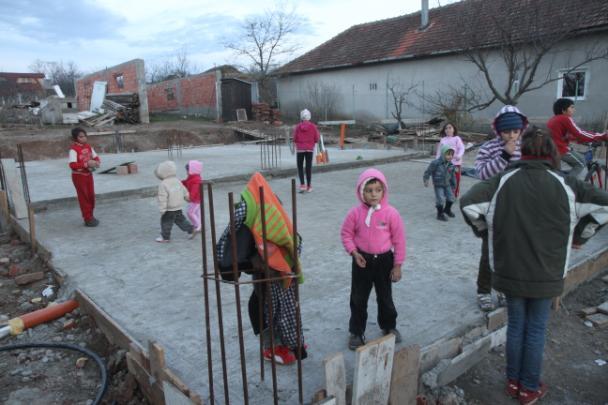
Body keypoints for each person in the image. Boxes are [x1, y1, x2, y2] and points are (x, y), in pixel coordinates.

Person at [460, 126, 608, 404]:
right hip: (548, 272)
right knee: (536, 329)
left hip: (509, 270)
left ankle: (514, 383)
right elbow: (605, 205)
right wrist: (580, 235)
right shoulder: (567, 183)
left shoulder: (503, 180)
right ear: (552, 152)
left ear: (523, 150)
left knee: (516, 326)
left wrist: (485, 230)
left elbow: (468, 203)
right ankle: (529, 388)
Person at [215, 172, 306, 364]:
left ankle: (290, 340)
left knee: (284, 308)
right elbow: (238, 255)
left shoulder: (279, 227)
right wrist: (258, 262)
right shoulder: (251, 228)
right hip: (264, 281)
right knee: (264, 309)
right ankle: (271, 346)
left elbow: (294, 243)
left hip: (279, 279)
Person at [341, 168, 406, 350]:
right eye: (369, 190)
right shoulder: (355, 213)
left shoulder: (391, 213)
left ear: (384, 191)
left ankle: (388, 325)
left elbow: (399, 241)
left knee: (385, 296)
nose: (373, 194)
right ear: (361, 192)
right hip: (362, 260)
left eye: (378, 190)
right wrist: (354, 252)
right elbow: (346, 234)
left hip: (385, 261)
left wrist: (397, 265)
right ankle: (356, 331)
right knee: (358, 297)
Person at [474, 105, 528, 311]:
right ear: (498, 131)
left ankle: (504, 288)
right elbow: (482, 175)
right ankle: (483, 290)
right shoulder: (489, 148)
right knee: (490, 252)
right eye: (507, 131)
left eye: (515, 131)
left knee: (511, 252)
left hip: (518, 208)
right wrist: (504, 156)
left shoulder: (526, 147)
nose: (512, 136)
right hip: (493, 209)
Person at [546, 98, 608, 180]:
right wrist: (603, 136)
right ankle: (568, 184)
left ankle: (561, 183)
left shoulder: (554, 119)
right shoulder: (565, 118)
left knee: (556, 173)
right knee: (581, 162)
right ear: (563, 110)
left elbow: (566, 136)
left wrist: (579, 140)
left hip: (550, 149)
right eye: (571, 107)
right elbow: (580, 133)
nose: (574, 110)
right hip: (559, 149)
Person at [154, 160, 195, 243]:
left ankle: (165, 237)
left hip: (169, 209)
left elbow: (162, 198)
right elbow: (184, 190)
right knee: (181, 220)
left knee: (166, 223)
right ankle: (191, 229)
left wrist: (162, 209)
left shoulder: (163, 184)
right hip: (178, 206)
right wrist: (187, 197)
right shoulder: (177, 180)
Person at [69, 127, 100, 227]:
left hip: (88, 175)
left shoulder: (88, 147)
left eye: (84, 136)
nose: (84, 138)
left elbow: (96, 157)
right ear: (75, 138)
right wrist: (86, 164)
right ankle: (87, 218)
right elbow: (72, 165)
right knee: (84, 197)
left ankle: (91, 215)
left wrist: (96, 162)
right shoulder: (73, 150)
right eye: (81, 137)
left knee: (91, 196)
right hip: (79, 176)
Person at [424, 145, 457, 221]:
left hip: (447, 184)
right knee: (440, 199)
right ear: (443, 154)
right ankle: (440, 214)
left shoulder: (451, 165)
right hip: (438, 184)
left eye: (452, 155)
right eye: (448, 154)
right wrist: (426, 179)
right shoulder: (435, 163)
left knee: (451, 198)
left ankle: (447, 210)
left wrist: (454, 185)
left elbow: (453, 176)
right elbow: (428, 172)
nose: (450, 156)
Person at [293, 108, 320, 193]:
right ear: (309, 117)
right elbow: (317, 138)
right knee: (308, 168)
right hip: (309, 150)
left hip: (300, 150)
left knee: (300, 167)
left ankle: (302, 185)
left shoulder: (297, 127)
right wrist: (312, 142)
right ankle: (309, 186)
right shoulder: (313, 126)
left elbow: (294, 138)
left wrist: (298, 143)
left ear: (301, 117)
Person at [435, 123, 465, 197]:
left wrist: (459, 155)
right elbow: (439, 151)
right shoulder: (443, 140)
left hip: (455, 163)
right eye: (446, 128)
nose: (448, 130)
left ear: (453, 129)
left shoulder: (457, 138)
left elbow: (462, 148)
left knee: (455, 179)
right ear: (444, 130)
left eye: (450, 128)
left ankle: (454, 194)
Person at [182, 160, 203, 232]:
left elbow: (195, 190)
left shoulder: (196, 180)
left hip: (196, 200)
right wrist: (180, 182)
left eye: (187, 170)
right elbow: (186, 182)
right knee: (196, 213)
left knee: (190, 212)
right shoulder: (191, 177)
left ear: (192, 170)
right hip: (195, 199)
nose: (186, 172)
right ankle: (199, 225)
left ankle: (197, 226)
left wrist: (190, 198)